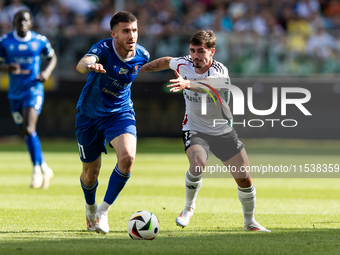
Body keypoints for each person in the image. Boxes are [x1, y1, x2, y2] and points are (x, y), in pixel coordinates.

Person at [140, 30, 270, 232]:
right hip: (195, 128)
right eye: (192, 50)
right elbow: (166, 61)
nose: (196, 56)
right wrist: (140, 69)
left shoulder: (219, 71)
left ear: (212, 52)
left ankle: (250, 222)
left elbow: (210, 87)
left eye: (201, 51)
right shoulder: (184, 63)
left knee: (244, 178)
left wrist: (187, 84)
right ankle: (188, 208)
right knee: (198, 163)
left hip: (223, 131)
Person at [75, 11, 149, 234]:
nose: (132, 35)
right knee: (91, 174)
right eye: (126, 31)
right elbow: (82, 63)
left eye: (134, 30)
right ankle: (90, 208)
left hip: (120, 113)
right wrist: (91, 66)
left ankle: (103, 211)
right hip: (89, 115)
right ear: (113, 34)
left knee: (127, 157)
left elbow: (151, 66)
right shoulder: (104, 49)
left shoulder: (142, 55)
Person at [0, 10, 57, 189]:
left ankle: (36, 171)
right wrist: (6, 67)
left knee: (29, 127)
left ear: (31, 23)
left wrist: (46, 73)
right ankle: (44, 167)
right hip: (14, 92)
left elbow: (52, 57)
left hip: (33, 90)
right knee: (25, 132)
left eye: (25, 20)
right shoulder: (5, 41)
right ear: (14, 23)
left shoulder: (39, 40)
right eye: (19, 20)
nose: (22, 23)